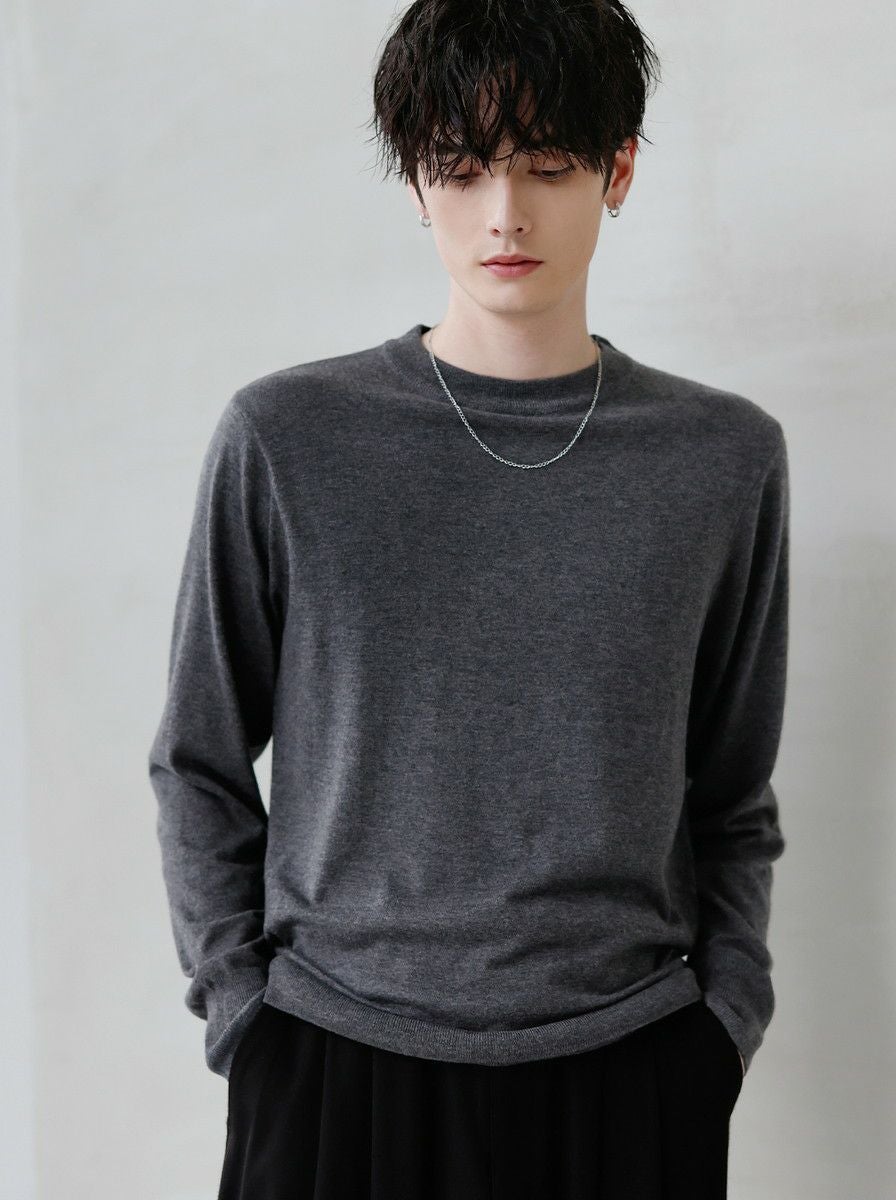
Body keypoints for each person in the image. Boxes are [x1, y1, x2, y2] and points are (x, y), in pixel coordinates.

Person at [148, 2, 790, 1196]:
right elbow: (198, 758)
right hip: (333, 1061)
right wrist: (246, 1018)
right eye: (461, 169)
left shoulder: (721, 458)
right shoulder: (288, 437)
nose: (504, 214)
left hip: (630, 1070)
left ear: (619, 171)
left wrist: (723, 1025)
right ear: (413, 182)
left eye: (548, 166)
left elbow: (732, 791)